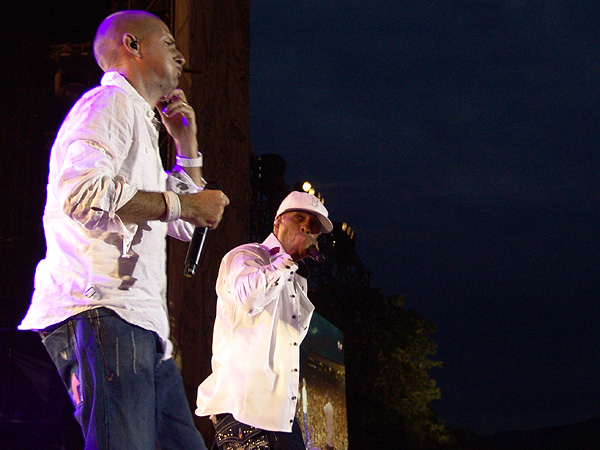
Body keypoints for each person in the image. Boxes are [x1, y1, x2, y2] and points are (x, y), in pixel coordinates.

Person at [18, 10, 230, 450]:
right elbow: (82, 193)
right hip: (106, 310)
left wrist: (186, 148)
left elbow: (185, 228)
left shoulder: (137, 121)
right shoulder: (108, 104)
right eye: (169, 44)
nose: (181, 54)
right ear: (133, 45)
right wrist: (186, 203)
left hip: (139, 323)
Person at [196, 191, 333, 450]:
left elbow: (291, 341)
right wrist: (288, 258)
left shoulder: (296, 279)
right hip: (246, 415)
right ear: (277, 223)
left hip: (278, 418)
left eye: (314, 226)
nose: (306, 227)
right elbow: (248, 297)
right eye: (298, 218)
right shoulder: (247, 256)